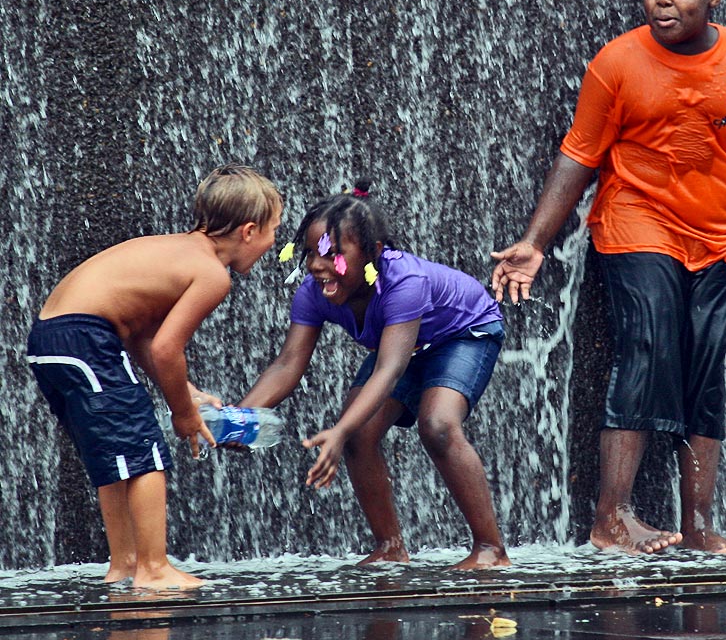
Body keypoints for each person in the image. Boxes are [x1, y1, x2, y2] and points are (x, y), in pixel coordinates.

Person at [491, 0, 726, 555]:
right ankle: (610, 519)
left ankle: (696, 526)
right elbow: (577, 156)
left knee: (704, 372)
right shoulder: (617, 62)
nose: (662, 1)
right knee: (647, 343)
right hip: (635, 224)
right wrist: (534, 241)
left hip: (717, 237)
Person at [27, 163, 282, 588]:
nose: (275, 242)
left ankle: (124, 564)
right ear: (250, 231)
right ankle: (154, 568)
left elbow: (143, 335)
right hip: (85, 339)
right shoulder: (212, 274)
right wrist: (183, 414)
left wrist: (187, 390)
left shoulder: (176, 249)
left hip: (54, 340)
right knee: (145, 449)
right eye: (275, 229)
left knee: (113, 453)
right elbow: (167, 349)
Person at [240, 182, 511, 569]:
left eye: (331, 255)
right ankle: (390, 547)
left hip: (463, 334)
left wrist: (339, 429)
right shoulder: (314, 291)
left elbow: (390, 369)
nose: (317, 266)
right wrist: (241, 417)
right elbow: (288, 364)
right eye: (310, 254)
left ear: (373, 252)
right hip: (401, 345)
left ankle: (491, 549)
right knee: (360, 436)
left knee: (437, 424)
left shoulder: (404, 282)